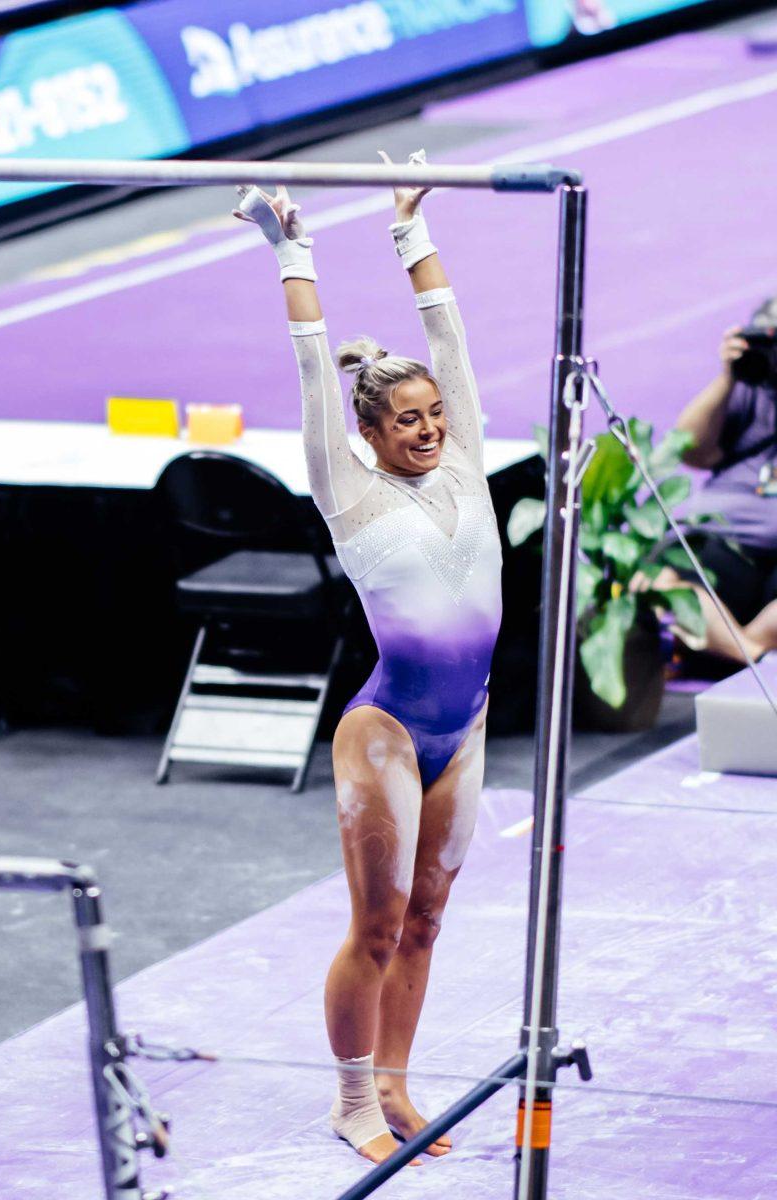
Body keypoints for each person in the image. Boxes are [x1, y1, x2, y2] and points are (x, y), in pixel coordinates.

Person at [233, 152, 503, 1165]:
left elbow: (451, 340)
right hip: (386, 729)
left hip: (463, 726)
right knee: (378, 923)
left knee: (427, 921)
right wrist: (291, 249)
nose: (431, 430)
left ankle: (393, 1084)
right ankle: (350, 1099)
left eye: (437, 416)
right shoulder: (343, 491)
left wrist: (409, 227)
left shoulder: (464, 451)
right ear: (367, 431)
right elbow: (311, 362)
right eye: (409, 422)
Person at [641, 301, 777, 664]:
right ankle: (751, 654)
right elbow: (689, 450)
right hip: (727, 540)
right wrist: (728, 377)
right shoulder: (753, 386)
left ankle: (723, 648)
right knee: (657, 584)